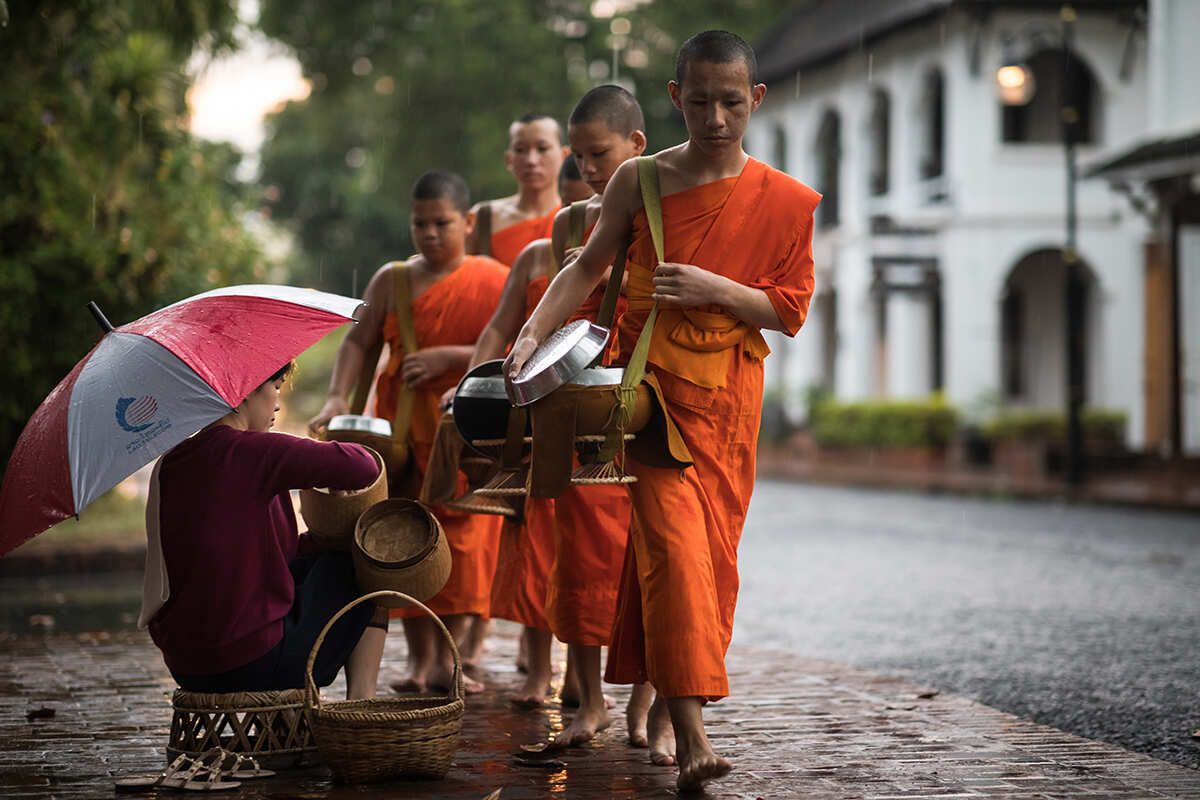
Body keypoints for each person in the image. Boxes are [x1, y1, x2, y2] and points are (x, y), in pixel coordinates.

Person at [504, 32, 820, 792]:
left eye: (732, 103)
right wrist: (530, 332)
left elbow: (790, 307)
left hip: (730, 402)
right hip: (648, 400)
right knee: (676, 552)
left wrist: (715, 289)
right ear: (676, 98)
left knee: (704, 562)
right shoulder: (640, 180)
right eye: (701, 101)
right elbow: (585, 266)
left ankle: (654, 704)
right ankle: (694, 733)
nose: (715, 118)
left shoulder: (786, 200)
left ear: (757, 100)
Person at [310, 171, 509, 694]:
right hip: (399, 433)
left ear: (467, 222)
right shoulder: (392, 280)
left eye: (442, 223)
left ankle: (455, 655)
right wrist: (337, 397)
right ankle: (421, 659)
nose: (430, 234)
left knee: (465, 544)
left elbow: (513, 347)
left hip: (463, 432)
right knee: (404, 537)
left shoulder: (493, 278)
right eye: (419, 224)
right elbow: (358, 343)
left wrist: (453, 357)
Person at [146, 362, 387, 699]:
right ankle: (362, 702)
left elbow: (267, 554)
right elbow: (362, 465)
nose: (277, 402)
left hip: (187, 665)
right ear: (244, 391)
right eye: (275, 386)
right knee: (366, 560)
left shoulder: (174, 461)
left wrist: (319, 541)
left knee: (323, 560)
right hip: (252, 661)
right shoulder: (254, 452)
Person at [542, 84, 655, 749]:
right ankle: (589, 701)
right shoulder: (571, 222)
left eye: (600, 154)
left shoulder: (668, 209)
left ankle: (644, 707)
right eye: (580, 157)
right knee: (580, 556)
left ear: (637, 146)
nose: (588, 169)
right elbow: (566, 302)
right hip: (583, 403)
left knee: (651, 559)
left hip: (644, 397)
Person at [460, 159, 593, 707]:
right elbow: (499, 323)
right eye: (566, 207)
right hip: (536, 417)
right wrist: (472, 377)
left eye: (585, 206)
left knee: (596, 555)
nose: (572, 220)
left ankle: (592, 682)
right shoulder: (537, 257)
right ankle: (540, 671)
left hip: (598, 415)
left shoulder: (625, 251)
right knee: (538, 546)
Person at [466, 113, 568, 267]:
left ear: (564, 156)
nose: (531, 161)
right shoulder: (483, 219)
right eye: (520, 150)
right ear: (509, 160)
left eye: (542, 148)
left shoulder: (577, 218)